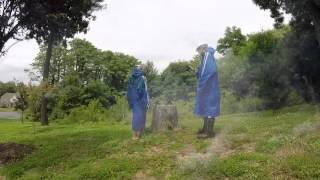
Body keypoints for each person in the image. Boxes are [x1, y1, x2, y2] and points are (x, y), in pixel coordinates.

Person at [194, 44, 220, 138]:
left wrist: (202, 85)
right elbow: (204, 71)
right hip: (209, 87)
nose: (198, 53)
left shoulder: (207, 55)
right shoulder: (205, 57)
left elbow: (211, 71)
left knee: (210, 108)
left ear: (202, 49)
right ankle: (205, 129)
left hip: (209, 87)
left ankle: (209, 133)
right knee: (206, 108)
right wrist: (197, 72)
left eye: (198, 51)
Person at [127, 67, 150, 140]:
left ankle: (134, 135)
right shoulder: (143, 78)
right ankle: (138, 134)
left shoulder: (131, 78)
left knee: (135, 117)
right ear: (140, 71)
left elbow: (129, 91)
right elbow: (145, 91)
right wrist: (147, 102)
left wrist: (130, 102)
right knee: (141, 116)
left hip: (134, 101)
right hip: (142, 101)